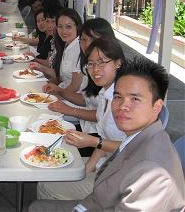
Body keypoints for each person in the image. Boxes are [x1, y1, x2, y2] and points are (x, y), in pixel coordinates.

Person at [29, 57, 185, 211]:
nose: (123, 105)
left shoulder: (152, 173)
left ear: (157, 107)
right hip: (102, 199)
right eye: (118, 97)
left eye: (135, 99)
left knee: (39, 203)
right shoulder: (140, 135)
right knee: (37, 205)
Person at [37, 38, 126, 201]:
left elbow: (134, 146)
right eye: (91, 64)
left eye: (102, 63)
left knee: (46, 186)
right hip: (107, 164)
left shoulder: (124, 100)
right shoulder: (105, 93)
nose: (95, 70)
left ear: (118, 63)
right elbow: (103, 141)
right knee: (48, 168)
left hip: (123, 177)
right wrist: (86, 170)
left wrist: (92, 142)